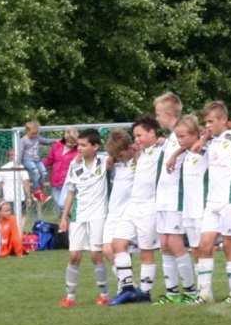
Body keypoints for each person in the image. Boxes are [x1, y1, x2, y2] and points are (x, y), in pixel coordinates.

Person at [196, 102, 231, 303]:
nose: (207, 125)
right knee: (204, 245)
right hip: (212, 200)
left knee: (229, 245)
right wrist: (204, 137)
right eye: (205, 122)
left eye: (211, 121)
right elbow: (195, 149)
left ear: (223, 120)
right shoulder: (211, 141)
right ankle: (204, 293)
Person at [109, 116, 161, 305]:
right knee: (117, 244)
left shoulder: (161, 150)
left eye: (139, 135)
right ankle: (128, 288)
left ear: (152, 133)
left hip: (149, 206)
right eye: (135, 136)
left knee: (146, 252)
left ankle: (145, 293)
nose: (136, 139)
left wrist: (162, 141)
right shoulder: (141, 153)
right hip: (133, 206)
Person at [153, 92, 197, 305]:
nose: (157, 118)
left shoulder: (182, 134)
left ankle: (190, 290)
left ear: (168, 113)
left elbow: (194, 140)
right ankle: (172, 291)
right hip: (162, 198)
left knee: (175, 243)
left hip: (175, 199)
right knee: (164, 243)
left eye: (158, 114)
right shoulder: (170, 138)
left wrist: (176, 152)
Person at [59, 129, 109, 307]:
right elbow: (71, 193)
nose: (79, 148)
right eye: (78, 145)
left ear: (95, 146)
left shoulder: (104, 161)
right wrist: (64, 217)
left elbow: (119, 153)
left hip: (98, 215)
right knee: (74, 256)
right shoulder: (75, 165)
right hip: (78, 217)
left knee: (96, 255)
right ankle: (70, 297)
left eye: (83, 145)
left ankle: (104, 294)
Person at [175, 115, 208, 296]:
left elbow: (208, 138)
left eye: (183, 136)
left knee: (204, 248)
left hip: (201, 207)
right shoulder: (186, 153)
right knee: (195, 248)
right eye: (178, 137)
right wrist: (175, 153)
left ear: (195, 134)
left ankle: (206, 289)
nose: (180, 140)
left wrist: (203, 138)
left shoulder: (204, 150)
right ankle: (201, 289)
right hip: (188, 208)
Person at [102, 129, 136, 291]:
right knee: (107, 249)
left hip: (128, 211)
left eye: (121, 155)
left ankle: (126, 286)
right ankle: (127, 283)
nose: (119, 158)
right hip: (113, 211)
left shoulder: (138, 162)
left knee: (119, 248)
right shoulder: (116, 162)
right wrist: (112, 158)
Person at [43, 128, 79, 215]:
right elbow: (49, 160)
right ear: (65, 138)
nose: (71, 144)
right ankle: (66, 222)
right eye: (69, 141)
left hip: (67, 182)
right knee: (61, 207)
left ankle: (70, 219)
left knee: (63, 204)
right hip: (55, 182)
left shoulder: (78, 150)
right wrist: (39, 166)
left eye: (73, 142)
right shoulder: (56, 146)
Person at [20, 120, 54, 203]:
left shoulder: (37, 138)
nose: (34, 135)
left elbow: (46, 141)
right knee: (35, 172)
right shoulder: (23, 140)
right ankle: (36, 191)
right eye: (33, 133)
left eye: (36, 133)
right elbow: (20, 151)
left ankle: (40, 190)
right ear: (27, 131)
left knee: (44, 173)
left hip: (37, 160)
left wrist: (57, 140)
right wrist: (19, 163)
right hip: (27, 160)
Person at [0, 149, 31, 226]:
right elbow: (0, 184)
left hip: (20, 198)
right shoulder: (4, 168)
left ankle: (19, 233)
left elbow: (26, 183)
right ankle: (15, 232)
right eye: (12, 155)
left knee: (21, 216)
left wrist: (28, 197)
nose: (13, 157)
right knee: (12, 217)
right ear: (9, 156)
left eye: (14, 155)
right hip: (8, 198)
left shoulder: (21, 168)